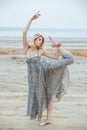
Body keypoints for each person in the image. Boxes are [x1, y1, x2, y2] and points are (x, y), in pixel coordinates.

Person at [23, 11, 74, 126]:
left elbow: (56, 57)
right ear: (34, 39)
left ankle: (62, 47)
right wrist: (32, 18)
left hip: (46, 69)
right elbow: (24, 33)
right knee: (42, 94)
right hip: (34, 77)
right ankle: (48, 118)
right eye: (38, 39)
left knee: (69, 59)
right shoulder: (27, 48)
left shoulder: (41, 50)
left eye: (42, 40)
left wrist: (57, 47)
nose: (40, 41)